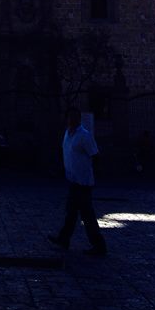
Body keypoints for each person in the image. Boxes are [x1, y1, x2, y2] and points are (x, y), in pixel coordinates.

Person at [49, 106, 107, 257]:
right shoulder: (67, 134)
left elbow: (95, 155)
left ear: (79, 119)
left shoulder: (84, 136)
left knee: (87, 215)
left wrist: (93, 174)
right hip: (73, 181)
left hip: (83, 183)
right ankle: (64, 239)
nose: (72, 119)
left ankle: (99, 245)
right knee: (71, 213)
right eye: (70, 117)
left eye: (75, 117)